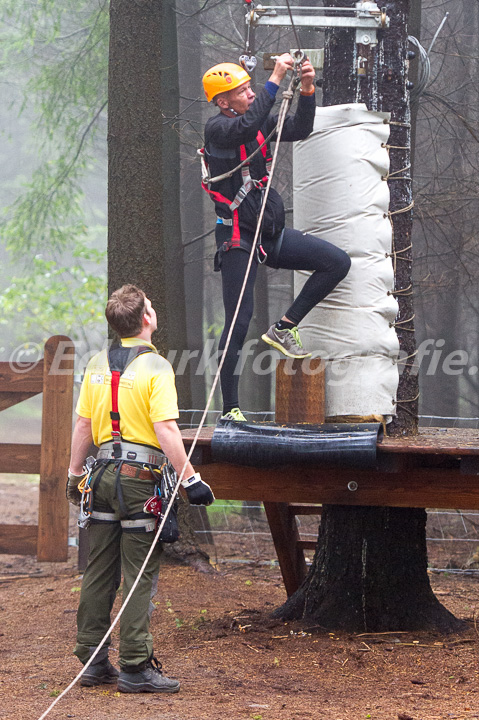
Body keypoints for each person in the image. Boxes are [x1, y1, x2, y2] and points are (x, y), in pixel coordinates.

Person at [66, 284, 214, 694]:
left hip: (101, 478)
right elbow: (165, 429)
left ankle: (92, 660)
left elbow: (83, 426)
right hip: (139, 482)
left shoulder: (96, 363)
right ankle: (134, 666)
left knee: (98, 569)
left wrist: (74, 475)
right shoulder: (156, 367)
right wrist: (191, 480)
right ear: (146, 318)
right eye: (150, 304)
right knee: (138, 573)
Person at [202, 54, 351, 422]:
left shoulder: (257, 121)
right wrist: (275, 78)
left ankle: (285, 326)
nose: (251, 95)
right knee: (239, 320)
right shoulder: (217, 129)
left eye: (251, 89)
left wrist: (306, 88)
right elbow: (244, 127)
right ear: (223, 102)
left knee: (336, 262)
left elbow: (300, 128)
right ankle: (229, 408)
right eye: (243, 91)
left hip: (268, 232)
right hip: (237, 238)